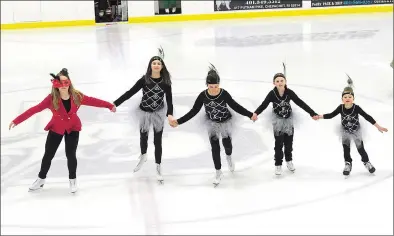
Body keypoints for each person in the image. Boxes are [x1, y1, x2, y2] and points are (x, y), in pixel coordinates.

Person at [9, 68, 116, 193]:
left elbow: (94, 101)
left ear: (69, 83)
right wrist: (17, 120)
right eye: (60, 83)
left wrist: (109, 105)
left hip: (73, 128)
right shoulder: (51, 99)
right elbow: (34, 109)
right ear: (55, 85)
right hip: (56, 128)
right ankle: (41, 179)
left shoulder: (77, 96)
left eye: (66, 82)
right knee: (48, 155)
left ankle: (73, 180)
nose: (64, 86)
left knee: (71, 154)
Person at [170, 64, 254, 187]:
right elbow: (194, 111)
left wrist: (250, 114)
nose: (214, 89)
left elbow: (235, 106)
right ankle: (218, 171)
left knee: (227, 145)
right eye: (211, 86)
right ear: (207, 85)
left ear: (219, 85)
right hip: (212, 124)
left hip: (225, 122)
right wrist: (178, 121)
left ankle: (229, 157)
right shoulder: (203, 96)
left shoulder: (224, 94)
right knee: (215, 148)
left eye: (216, 86)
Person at [113, 47, 173, 184]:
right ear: (150, 66)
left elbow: (169, 99)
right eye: (154, 63)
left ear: (162, 66)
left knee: (158, 141)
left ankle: (158, 166)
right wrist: (116, 103)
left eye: (158, 63)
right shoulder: (144, 79)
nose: (156, 65)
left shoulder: (166, 82)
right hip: (144, 112)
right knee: (143, 136)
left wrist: (170, 114)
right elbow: (130, 93)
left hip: (158, 113)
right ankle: (143, 155)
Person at [252, 63, 319, 175]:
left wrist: (312, 113)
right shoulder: (272, 94)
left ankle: (289, 160)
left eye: (281, 80)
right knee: (279, 143)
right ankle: (278, 164)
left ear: (285, 82)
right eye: (277, 81)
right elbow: (264, 104)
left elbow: (300, 102)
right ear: (274, 83)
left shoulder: (289, 92)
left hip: (288, 120)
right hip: (277, 120)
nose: (279, 83)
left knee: (289, 143)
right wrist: (256, 113)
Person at [317, 76, 388, 176]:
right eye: (345, 97)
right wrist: (320, 116)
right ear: (342, 99)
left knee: (361, 148)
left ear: (353, 99)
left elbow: (367, 116)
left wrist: (378, 126)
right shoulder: (340, 108)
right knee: (346, 149)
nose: (347, 99)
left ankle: (366, 162)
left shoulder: (356, 108)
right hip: (345, 131)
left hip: (356, 131)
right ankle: (348, 163)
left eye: (349, 97)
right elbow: (331, 115)